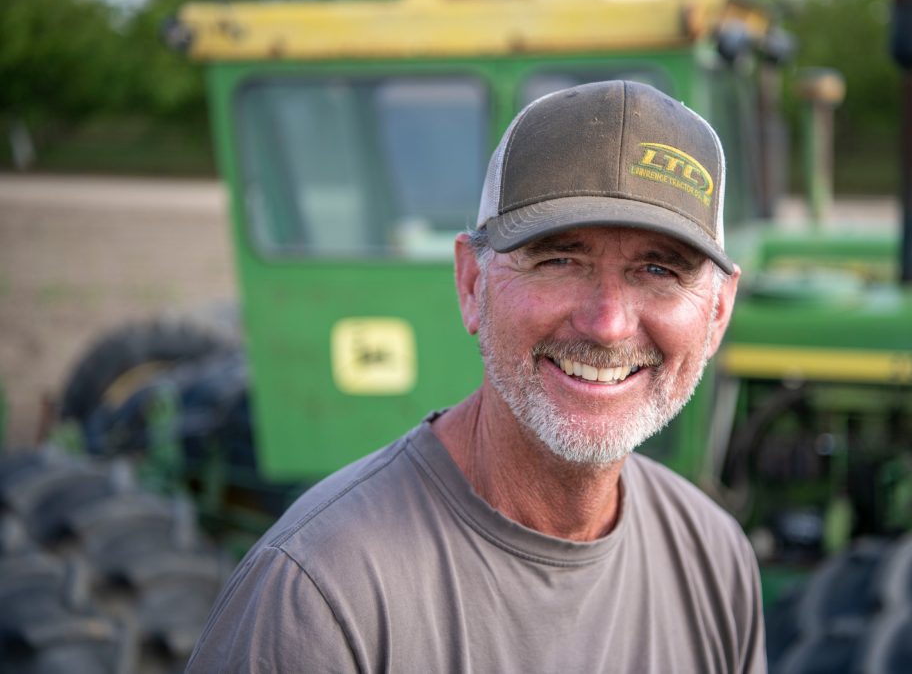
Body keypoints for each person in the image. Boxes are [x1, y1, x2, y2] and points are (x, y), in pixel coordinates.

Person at [187, 80, 764, 673]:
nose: (608, 325)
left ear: (718, 312)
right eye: (559, 260)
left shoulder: (714, 559)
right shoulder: (318, 596)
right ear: (471, 284)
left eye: (659, 269)